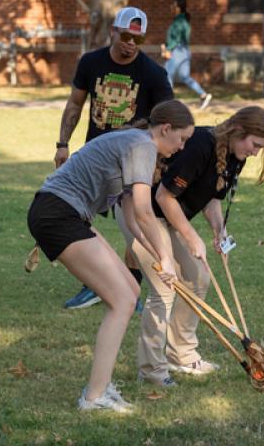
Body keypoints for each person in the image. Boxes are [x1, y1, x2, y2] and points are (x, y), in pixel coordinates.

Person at [28, 99, 195, 412]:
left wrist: (156, 259)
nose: (182, 147)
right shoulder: (142, 146)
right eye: (182, 139)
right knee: (121, 301)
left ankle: (101, 387)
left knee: (131, 292)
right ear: (165, 128)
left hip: (66, 214)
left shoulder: (136, 146)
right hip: (57, 213)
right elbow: (146, 212)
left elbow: (133, 220)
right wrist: (167, 258)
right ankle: (94, 397)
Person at [115, 106, 264, 386]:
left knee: (198, 277)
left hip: (166, 217)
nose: (255, 152)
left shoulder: (234, 155)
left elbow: (211, 197)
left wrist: (218, 230)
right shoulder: (200, 145)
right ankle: (152, 371)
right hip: (142, 213)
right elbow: (165, 196)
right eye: (255, 145)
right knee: (165, 286)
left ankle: (182, 355)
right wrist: (191, 237)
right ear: (239, 132)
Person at [55, 6, 174, 311]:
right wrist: (62, 144)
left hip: (133, 159)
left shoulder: (154, 74)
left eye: (139, 38)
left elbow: (169, 120)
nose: (131, 43)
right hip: (95, 157)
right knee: (78, 215)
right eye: (125, 36)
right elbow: (74, 105)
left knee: (132, 223)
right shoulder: (91, 62)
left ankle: (131, 286)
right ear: (113, 31)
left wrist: (159, 161)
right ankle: (94, 283)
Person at [161, 0, 212, 111]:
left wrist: (168, 49)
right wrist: (166, 46)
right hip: (184, 51)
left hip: (178, 51)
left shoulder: (179, 21)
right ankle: (204, 95)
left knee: (167, 74)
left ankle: (167, 103)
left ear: (178, 7)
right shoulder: (182, 20)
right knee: (185, 77)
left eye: (173, 5)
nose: (171, 7)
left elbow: (177, 39)